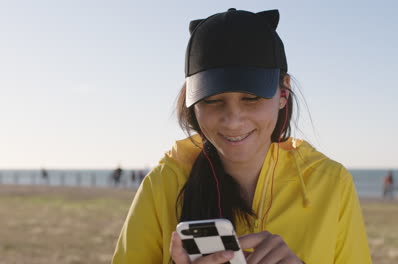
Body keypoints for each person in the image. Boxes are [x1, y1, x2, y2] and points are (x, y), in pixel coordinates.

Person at [112, 8, 371, 264]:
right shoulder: (163, 186)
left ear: (283, 94)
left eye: (251, 98)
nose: (233, 121)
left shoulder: (331, 185)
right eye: (212, 101)